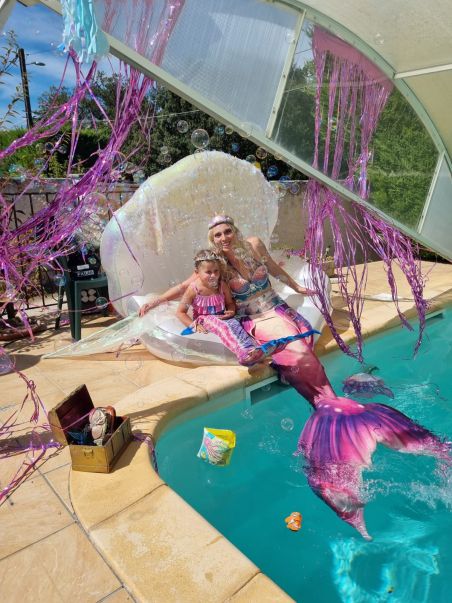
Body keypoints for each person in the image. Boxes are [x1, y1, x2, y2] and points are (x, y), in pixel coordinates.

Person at [140, 215, 449, 539]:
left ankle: (338, 415)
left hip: (281, 308)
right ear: (212, 239)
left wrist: (299, 288)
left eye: (227, 231)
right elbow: (186, 288)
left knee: (304, 351)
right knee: (301, 356)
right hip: (257, 319)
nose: (223, 238)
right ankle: (335, 425)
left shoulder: (254, 244)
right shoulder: (217, 265)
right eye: (216, 235)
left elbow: (273, 269)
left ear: (236, 229)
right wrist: (157, 301)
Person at [176, 249, 316, 367]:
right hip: (204, 319)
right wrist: (193, 324)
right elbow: (180, 312)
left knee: (239, 325)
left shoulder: (222, 285)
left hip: (224, 315)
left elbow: (230, 303)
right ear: (197, 272)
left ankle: (270, 354)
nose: (213, 275)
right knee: (223, 326)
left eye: (216, 271)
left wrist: (231, 310)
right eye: (208, 272)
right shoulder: (194, 289)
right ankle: (245, 352)